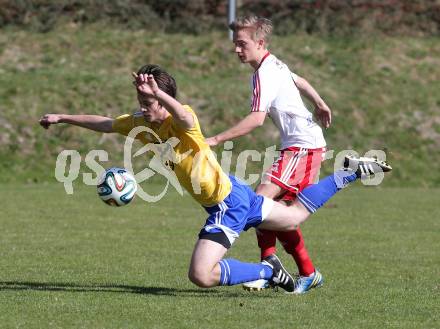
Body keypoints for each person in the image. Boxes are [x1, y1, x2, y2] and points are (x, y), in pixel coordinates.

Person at [39, 64, 391, 293]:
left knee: (201, 275)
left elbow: (183, 115)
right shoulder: (139, 122)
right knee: (295, 217)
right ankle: (350, 173)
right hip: (233, 193)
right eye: (141, 98)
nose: (144, 104)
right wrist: (62, 117)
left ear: (164, 98)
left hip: (226, 204)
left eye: (149, 99)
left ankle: (266, 273)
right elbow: (105, 122)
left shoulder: (181, 119)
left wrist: (159, 95)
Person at [206, 16, 331, 293]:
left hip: (303, 147)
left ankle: (267, 269)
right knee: (277, 214)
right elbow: (299, 81)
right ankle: (307, 272)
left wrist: (215, 138)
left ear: (260, 43)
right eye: (235, 44)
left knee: (259, 202)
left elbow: (256, 119)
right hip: (303, 146)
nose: (237, 50)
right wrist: (320, 103)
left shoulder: (263, 73)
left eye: (242, 44)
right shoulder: (275, 63)